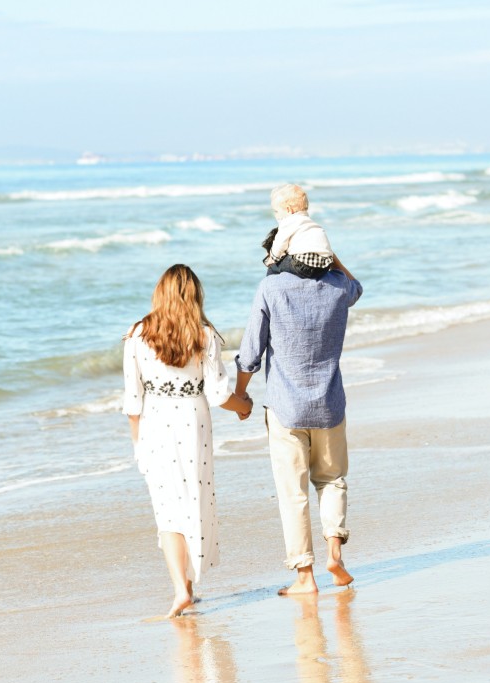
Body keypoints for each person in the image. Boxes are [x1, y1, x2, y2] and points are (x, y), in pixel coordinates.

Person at [235, 205, 363, 595]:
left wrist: (240, 393)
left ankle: (304, 577)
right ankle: (335, 554)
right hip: (329, 404)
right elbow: (356, 284)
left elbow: (252, 351)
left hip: (286, 409)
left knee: (293, 492)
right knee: (332, 480)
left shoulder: (270, 288)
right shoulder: (339, 288)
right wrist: (331, 252)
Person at [123, 264, 252, 618]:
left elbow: (133, 402)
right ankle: (187, 587)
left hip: (155, 424)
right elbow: (217, 394)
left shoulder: (136, 334)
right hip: (192, 421)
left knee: (166, 510)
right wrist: (244, 407)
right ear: (195, 294)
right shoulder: (205, 334)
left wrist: (138, 446)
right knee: (193, 500)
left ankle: (182, 589)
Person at [264, 183, 334, 280]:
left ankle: (270, 287)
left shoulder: (288, 222)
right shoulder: (309, 223)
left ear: (288, 210)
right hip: (325, 266)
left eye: (276, 211)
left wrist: (272, 259)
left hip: (303, 265)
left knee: (273, 267)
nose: (276, 215)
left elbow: (279, 244)